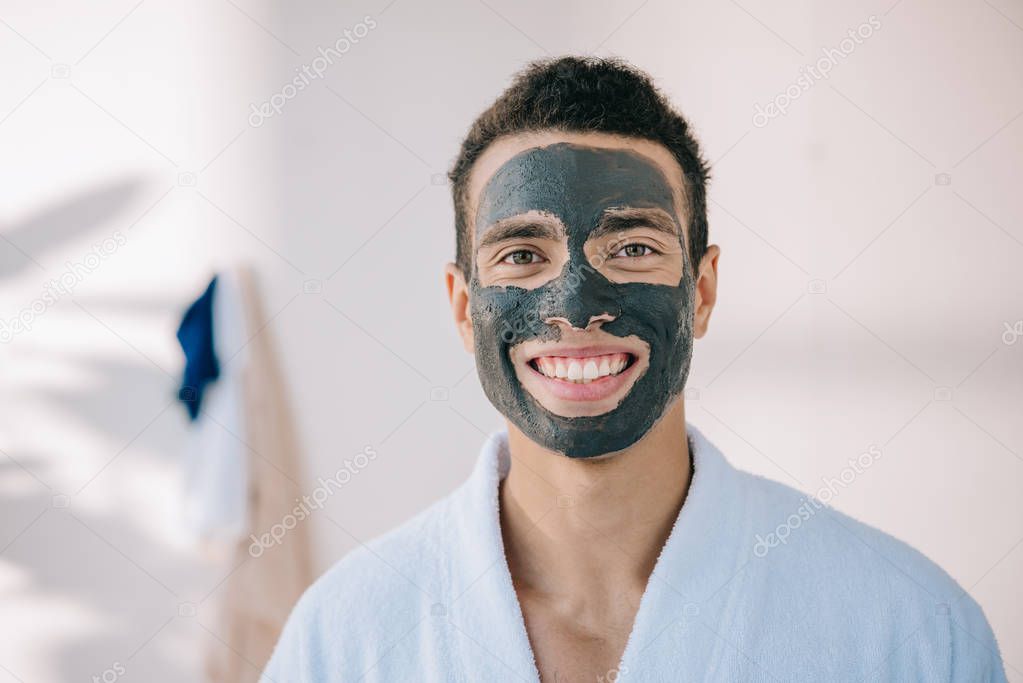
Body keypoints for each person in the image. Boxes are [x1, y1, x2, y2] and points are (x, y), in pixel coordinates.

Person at [261, 56, 1006, 682]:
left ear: (702, 290)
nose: (576, 307)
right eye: (522, 256)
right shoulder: (342, 638)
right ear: (463, 307)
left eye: (632, 248)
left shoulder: (908, 629)